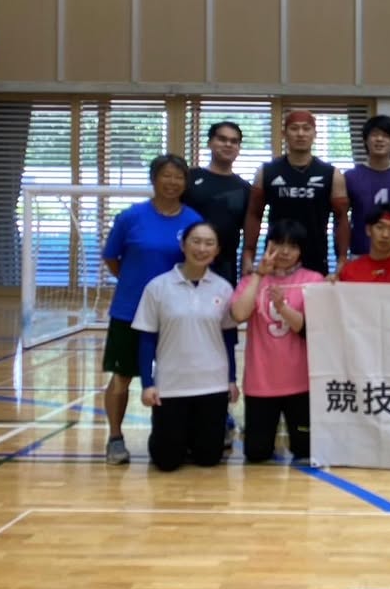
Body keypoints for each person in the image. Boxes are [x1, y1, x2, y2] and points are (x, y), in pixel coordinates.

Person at [101, 154, 203, 465]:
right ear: (154, 179)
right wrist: (137, 285)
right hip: (130, 311)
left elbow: (198, 261)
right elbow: (112, 258)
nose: (172, 182)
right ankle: (115, 438)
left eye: (179, 177)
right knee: (122, 377)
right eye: (166, 175)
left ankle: (178, 436)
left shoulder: (193, 221)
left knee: (180, 377)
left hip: (176, 313)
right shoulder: (130, 217)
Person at [132, 222, 239, 472]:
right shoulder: (158, 287)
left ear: (217, 250)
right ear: (183, 245)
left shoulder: (223, 288)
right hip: (172, 385)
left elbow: (229, 338)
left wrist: (231, 380)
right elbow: (146, 339)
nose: (202, 248)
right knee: (166, 461)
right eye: (196, 241)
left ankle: (200, 435)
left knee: (209, 458)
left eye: (209, 243)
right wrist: (147, 384)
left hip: (212, 384)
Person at [231, 219, 325, 464]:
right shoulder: (252, 281)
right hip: (261, 382)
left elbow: (310, 328)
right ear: (268, 245)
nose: (285, 252)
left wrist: (282, 307)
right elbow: (239, 314)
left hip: (301, 383)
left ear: (301, 250)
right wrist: (259, 275)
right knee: (256, 454)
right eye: (279, 244)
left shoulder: (314, 280)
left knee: (305, 452)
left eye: (292, 246)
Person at [242, 110, 349, 277]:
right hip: (276, 257)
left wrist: (342, 259)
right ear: (284, 134)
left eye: (306, 128)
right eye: (294, 128)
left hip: (315, 257)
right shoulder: (266, 171)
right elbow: (254, 214)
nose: (300, 134)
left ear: (314, 134)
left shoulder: (332, 174)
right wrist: (248, 254)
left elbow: (341, 219)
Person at [182, 121, 251, 287]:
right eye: (222, 139)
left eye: (234, 141)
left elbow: (248, 232)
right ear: (210, 143)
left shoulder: (244, 188)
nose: (228, 144)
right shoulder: (190, 178)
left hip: (225, 267)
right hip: (187, 261)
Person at [344, 114, 390, 258]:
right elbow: (341, 219)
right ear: (366, 140)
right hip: (361, 252)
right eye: (374, 134)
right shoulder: (350, 177)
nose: (379, 139)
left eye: (386, 136)